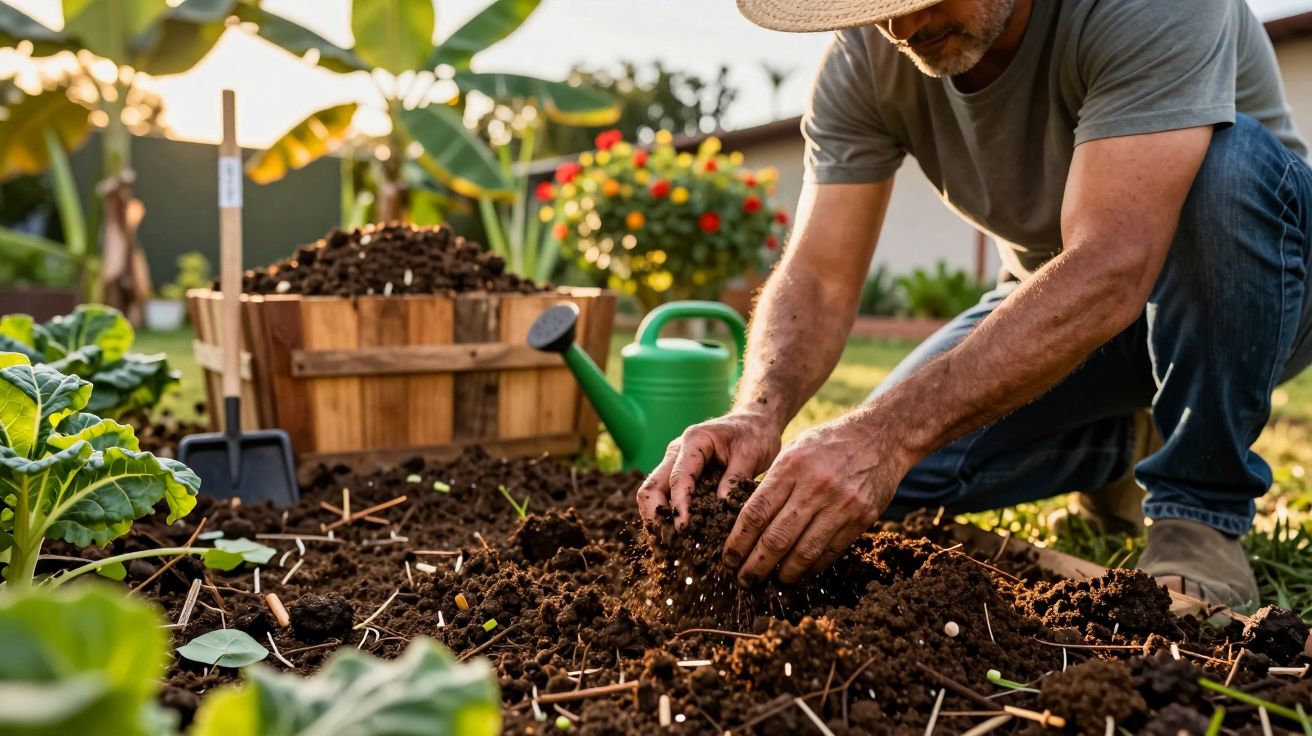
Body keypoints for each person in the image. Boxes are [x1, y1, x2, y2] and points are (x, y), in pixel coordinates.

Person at [635, 0, 1312, 610]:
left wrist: (886, 432)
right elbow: (819, 275)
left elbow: (1113, 260)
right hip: (1060, 301)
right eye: (878, 7)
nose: (901, 27)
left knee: (1225, 163)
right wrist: (760, 413)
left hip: (1255, 292)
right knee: (881, 487)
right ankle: (1121, 444)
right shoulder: (864, 58)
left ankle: (1200, 508)